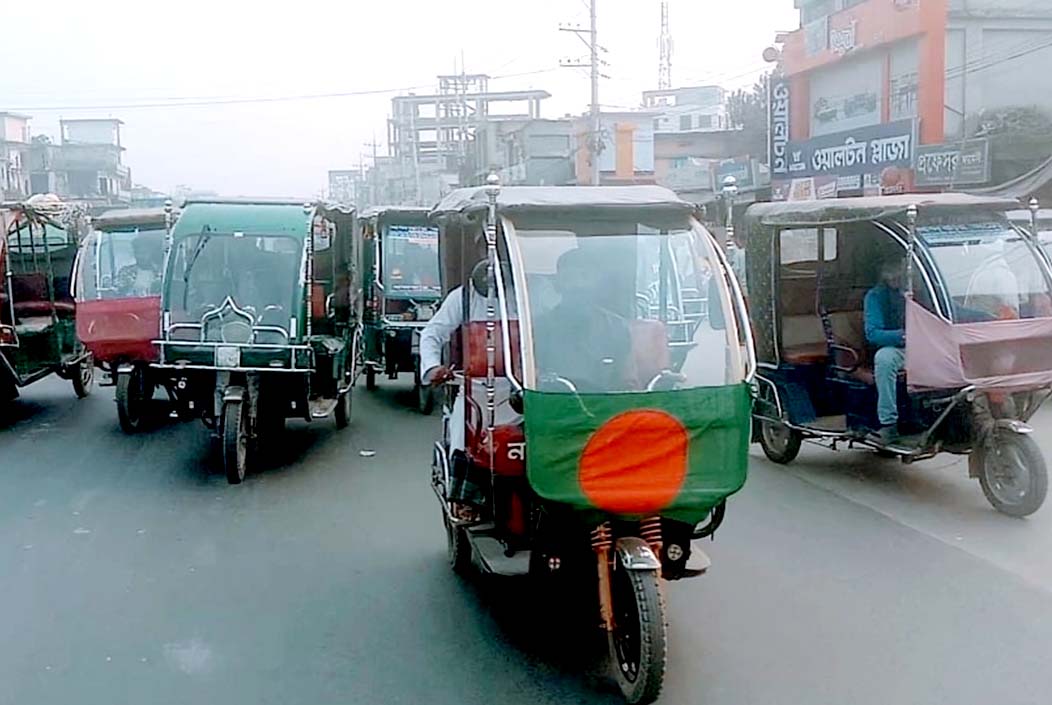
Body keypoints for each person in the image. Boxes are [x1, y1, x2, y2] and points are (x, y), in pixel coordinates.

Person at [420, 255, 517, 518]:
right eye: (486, 279)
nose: (491, 285)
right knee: (464, 435)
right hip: (474, 389)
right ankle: (465, 500)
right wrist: (433, 368)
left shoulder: (523, 296)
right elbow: (431, 334)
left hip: (520, 390)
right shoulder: (461, 299)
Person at [864, 258, 906, 443]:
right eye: (895, 277)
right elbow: (873, 333)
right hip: (899, 348)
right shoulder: (875, 297)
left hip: (928, 346)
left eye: (902, 277)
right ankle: (889, 424)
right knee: (884, 359)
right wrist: (903, 336)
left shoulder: (926, 291)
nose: (899, 281)